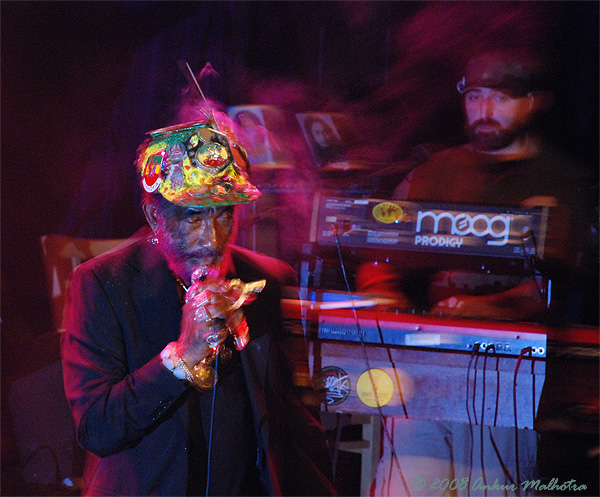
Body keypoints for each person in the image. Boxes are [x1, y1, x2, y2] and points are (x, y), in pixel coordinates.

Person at [365, 49, 598, 496]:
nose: (484, 111)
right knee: (406, 485)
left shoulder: (563, 181)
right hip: (426, 367)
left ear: (535, 100)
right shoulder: (435, 172)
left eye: (500, 98)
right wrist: (382, 291)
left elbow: (553, 287)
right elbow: (377, 245)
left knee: (491, 487)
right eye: (474, 97)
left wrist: (484, 307)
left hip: (510, 376)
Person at [61, 117, 336, 496]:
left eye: (224, 213)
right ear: (155, 216)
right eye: (193, 216)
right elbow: (97, 428)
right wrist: (181, 358)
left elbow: (296, 423)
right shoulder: (102, 284)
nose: (213, 237)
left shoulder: (269, 280)